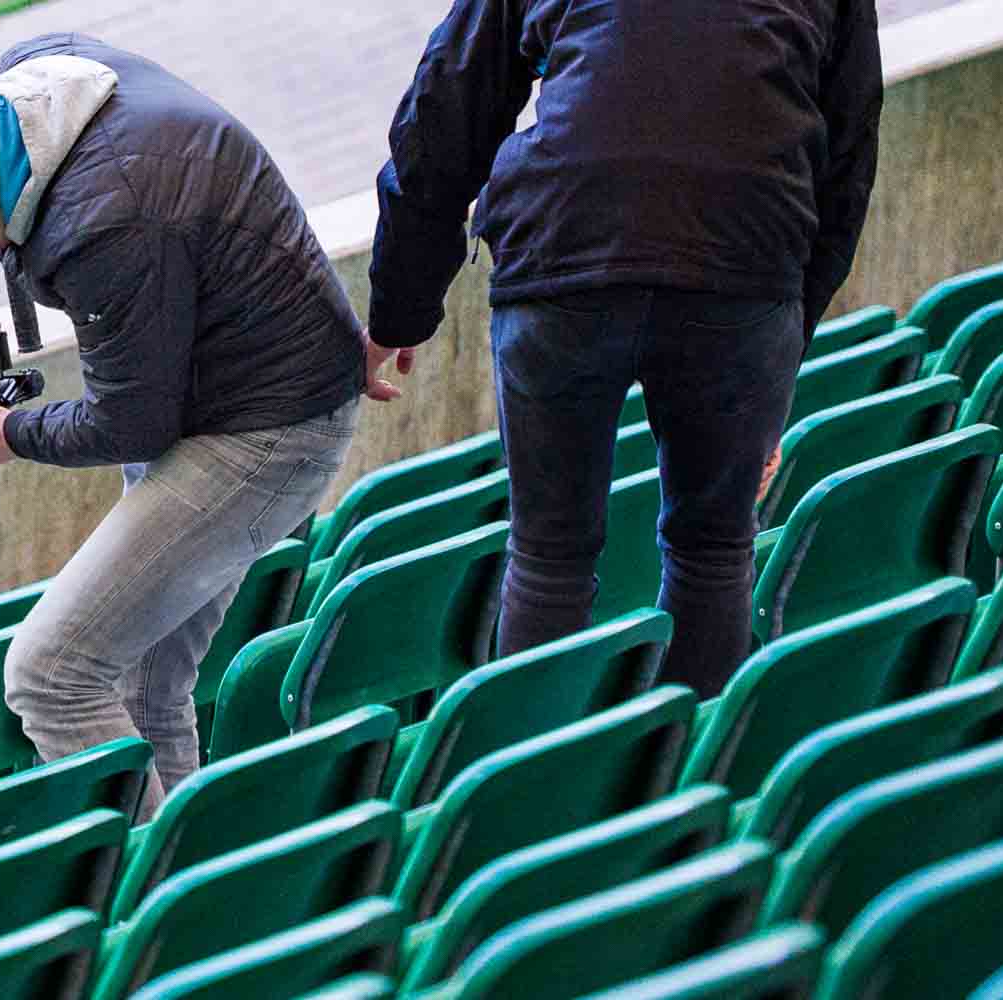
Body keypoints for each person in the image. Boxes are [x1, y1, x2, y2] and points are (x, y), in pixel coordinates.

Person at [0, 32, 375, 804]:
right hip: (252, 377)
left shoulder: (105, 225)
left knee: (49, 675)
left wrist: (8, 433)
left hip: (266, 429)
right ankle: (179, 883)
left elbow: (130, 424)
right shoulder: (43, 76)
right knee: (146, 686)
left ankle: (149, 904)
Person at [366, 0, 882, 696]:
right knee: (714, 551)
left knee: (549, 557)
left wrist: (400, 308)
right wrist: (781, 348)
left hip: (564, 252)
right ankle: (688, 786)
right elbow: (848, 153)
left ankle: (532, 794)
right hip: (744, 265)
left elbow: (448, 105)